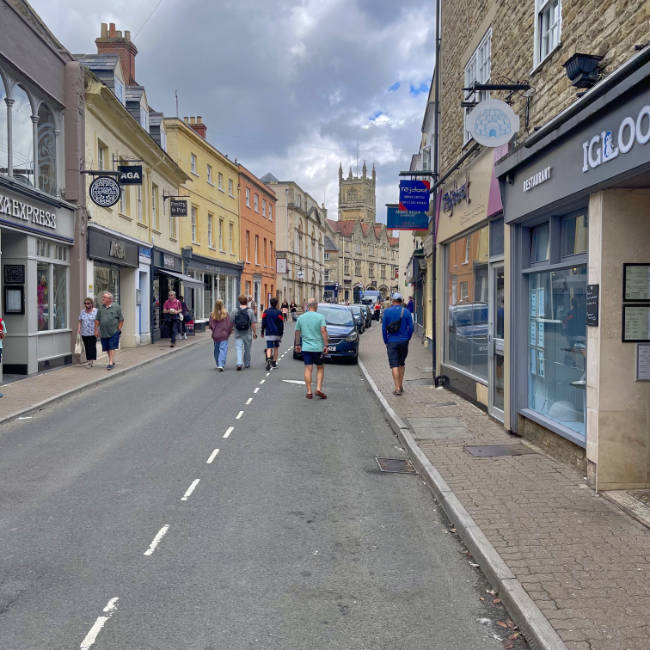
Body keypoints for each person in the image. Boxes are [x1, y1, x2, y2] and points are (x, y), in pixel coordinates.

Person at [294, 297, 328, 399]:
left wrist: (297, 345)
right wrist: (326, 344)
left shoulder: (301, 318)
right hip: (318, 347)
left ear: (307, 307)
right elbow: (323, 330)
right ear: (316, 306)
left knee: (308, 368)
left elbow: (297, 332)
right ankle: (318, 389)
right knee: (320, 367)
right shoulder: (320, 317)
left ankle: (309, 391)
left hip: (306, 347)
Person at [381, 292, 414, 396]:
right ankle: (401, 384)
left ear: (393, 301)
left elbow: (383, 328)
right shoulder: (406, 312)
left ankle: (397, 388)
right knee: (401, 363)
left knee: (394, 364)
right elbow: (411, 327)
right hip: (404, 341)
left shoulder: (386, 312)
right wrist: (407, 338)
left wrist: (386, 341)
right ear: (401, 301)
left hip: (392, 341)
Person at [95, 292, 123, 370]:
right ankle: (112, 360)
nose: (102, 298)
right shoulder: (101, 308)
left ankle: (110, 362)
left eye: (104, 297)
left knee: (112, 346)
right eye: (103, 297)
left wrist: (119, 329)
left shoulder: (116, 307)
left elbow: (121, 319)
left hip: (113, 331)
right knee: (107, 348)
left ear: (109, 299)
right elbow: (97, 320)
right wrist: (96, 330)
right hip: (103, 332)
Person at [230, 294, 257, 370]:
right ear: (246, 301)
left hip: (238, 333)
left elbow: (231, 321)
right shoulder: (250, 311)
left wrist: (231, 330)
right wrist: (254, 333)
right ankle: (247, 363)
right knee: (247, 349)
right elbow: (253, 324)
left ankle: (239, 363)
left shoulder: (235, 310)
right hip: (247, 333)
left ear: (239, 301)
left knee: (239, 348)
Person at [209, 299, 233, 371]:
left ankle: (218, 363)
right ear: (222, 305)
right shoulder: (226, 314)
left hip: (216, 335)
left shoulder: (212, 314)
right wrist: (229, 332)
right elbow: (229, 325)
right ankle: (221, 364)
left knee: (216, 349)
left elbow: (211, 325)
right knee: (223, 349)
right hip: (224, 335)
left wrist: (214, 331)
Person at [262, 297, 284, 370]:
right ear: (277, 304)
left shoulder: (266, 312)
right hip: (277, 333)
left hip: (268, 332)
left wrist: (262, 331)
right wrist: (281, 333)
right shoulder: (279, 312)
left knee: (269, 347)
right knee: (276, 348)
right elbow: (281, 324)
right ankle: (274, 363)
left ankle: (268, 359)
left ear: (270, 303)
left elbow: (263, 322)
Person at [78, 297, 98, 367]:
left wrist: (97, 330)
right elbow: (80, 321)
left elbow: (98, 321)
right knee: (87, 347)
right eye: (85, 303)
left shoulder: (96, 311)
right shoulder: (82, 312)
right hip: (84, 332)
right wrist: (79, 329)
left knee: (92, 347)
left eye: (88, 303)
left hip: (93, 332)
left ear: (92, 304)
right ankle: (89, 360)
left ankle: (90, 361)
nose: (87, 305)